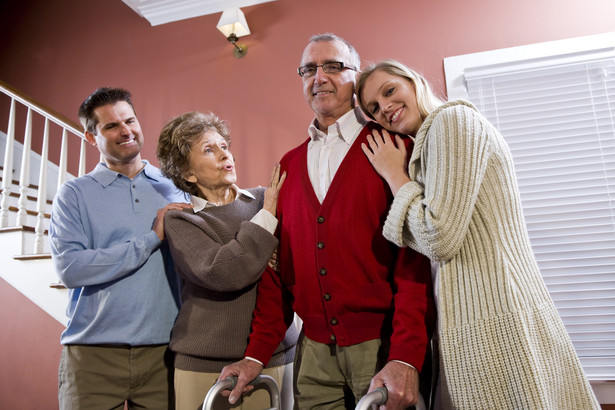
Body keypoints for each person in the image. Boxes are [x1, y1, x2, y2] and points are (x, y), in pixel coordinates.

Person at [356, 59, 600, 409]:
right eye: (374, 109)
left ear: (414, 82)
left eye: (390, 91)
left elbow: (438, 238)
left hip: (496, 318)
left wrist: (394, 174)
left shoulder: (451, 121)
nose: (385, 109)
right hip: (490, 317)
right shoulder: (430, 145)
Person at [219, 34, 435, 409]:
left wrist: (405, 356)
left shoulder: (395, 147)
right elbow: (277, 271)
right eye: (309, 69)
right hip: (313, 356)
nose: (319, 77)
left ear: (356, 77)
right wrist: (256, 355)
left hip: (384, 349)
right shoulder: (287, 165)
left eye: (334, 66)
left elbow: (414, 263)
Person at [50, 87, 191, 410]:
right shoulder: (73, 194)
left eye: (130, 120)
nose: (125, 131)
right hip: (93, 358)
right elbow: (72, 269)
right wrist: (151, 239)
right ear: (91, 137)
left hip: (165, 355)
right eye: (112, 126)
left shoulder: (176, 188)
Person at [156, 111, 299, 410]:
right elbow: (224, 272)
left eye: (224, 145)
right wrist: (267, 220)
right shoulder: (181, 220)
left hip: (274, 356)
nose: (224, 155)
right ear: (188, 174)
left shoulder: (264, 197)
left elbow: (293, 265)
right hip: (203, 365)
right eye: (209, 149)